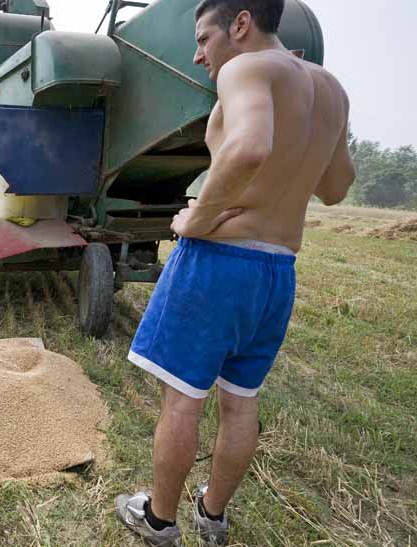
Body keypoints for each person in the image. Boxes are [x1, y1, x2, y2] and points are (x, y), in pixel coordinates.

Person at [115, 1, 355, 545]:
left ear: (241, 24)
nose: (199, 55)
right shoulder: (332, 89)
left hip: (219, 264)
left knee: (183, 398)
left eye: (203, 39)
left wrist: (195, 220)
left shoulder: (245, 67)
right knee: (240, 400)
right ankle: (213, 515)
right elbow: (336, 188)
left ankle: (158, 520)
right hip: (277, 270)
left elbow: (248, 147)